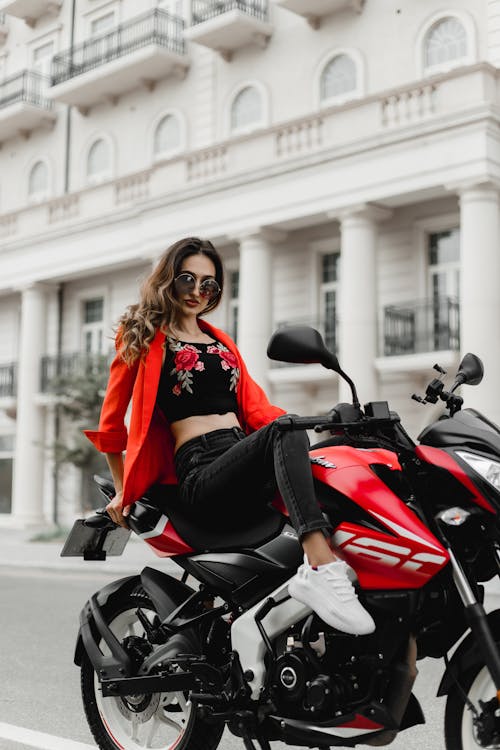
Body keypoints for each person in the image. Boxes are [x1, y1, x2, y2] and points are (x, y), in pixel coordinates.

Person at [84, 237, 375, 636]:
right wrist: (122, 489)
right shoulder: (145, 335)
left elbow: (258, 411)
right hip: (200, 470)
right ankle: (321, 566)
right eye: (188, 279)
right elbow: (112, 421)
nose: (198, 291)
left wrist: (323, 423)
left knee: (322, 460)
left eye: (209, 284)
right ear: (169, 279)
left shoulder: (222, 342)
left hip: (239, 456)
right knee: (285, 428)